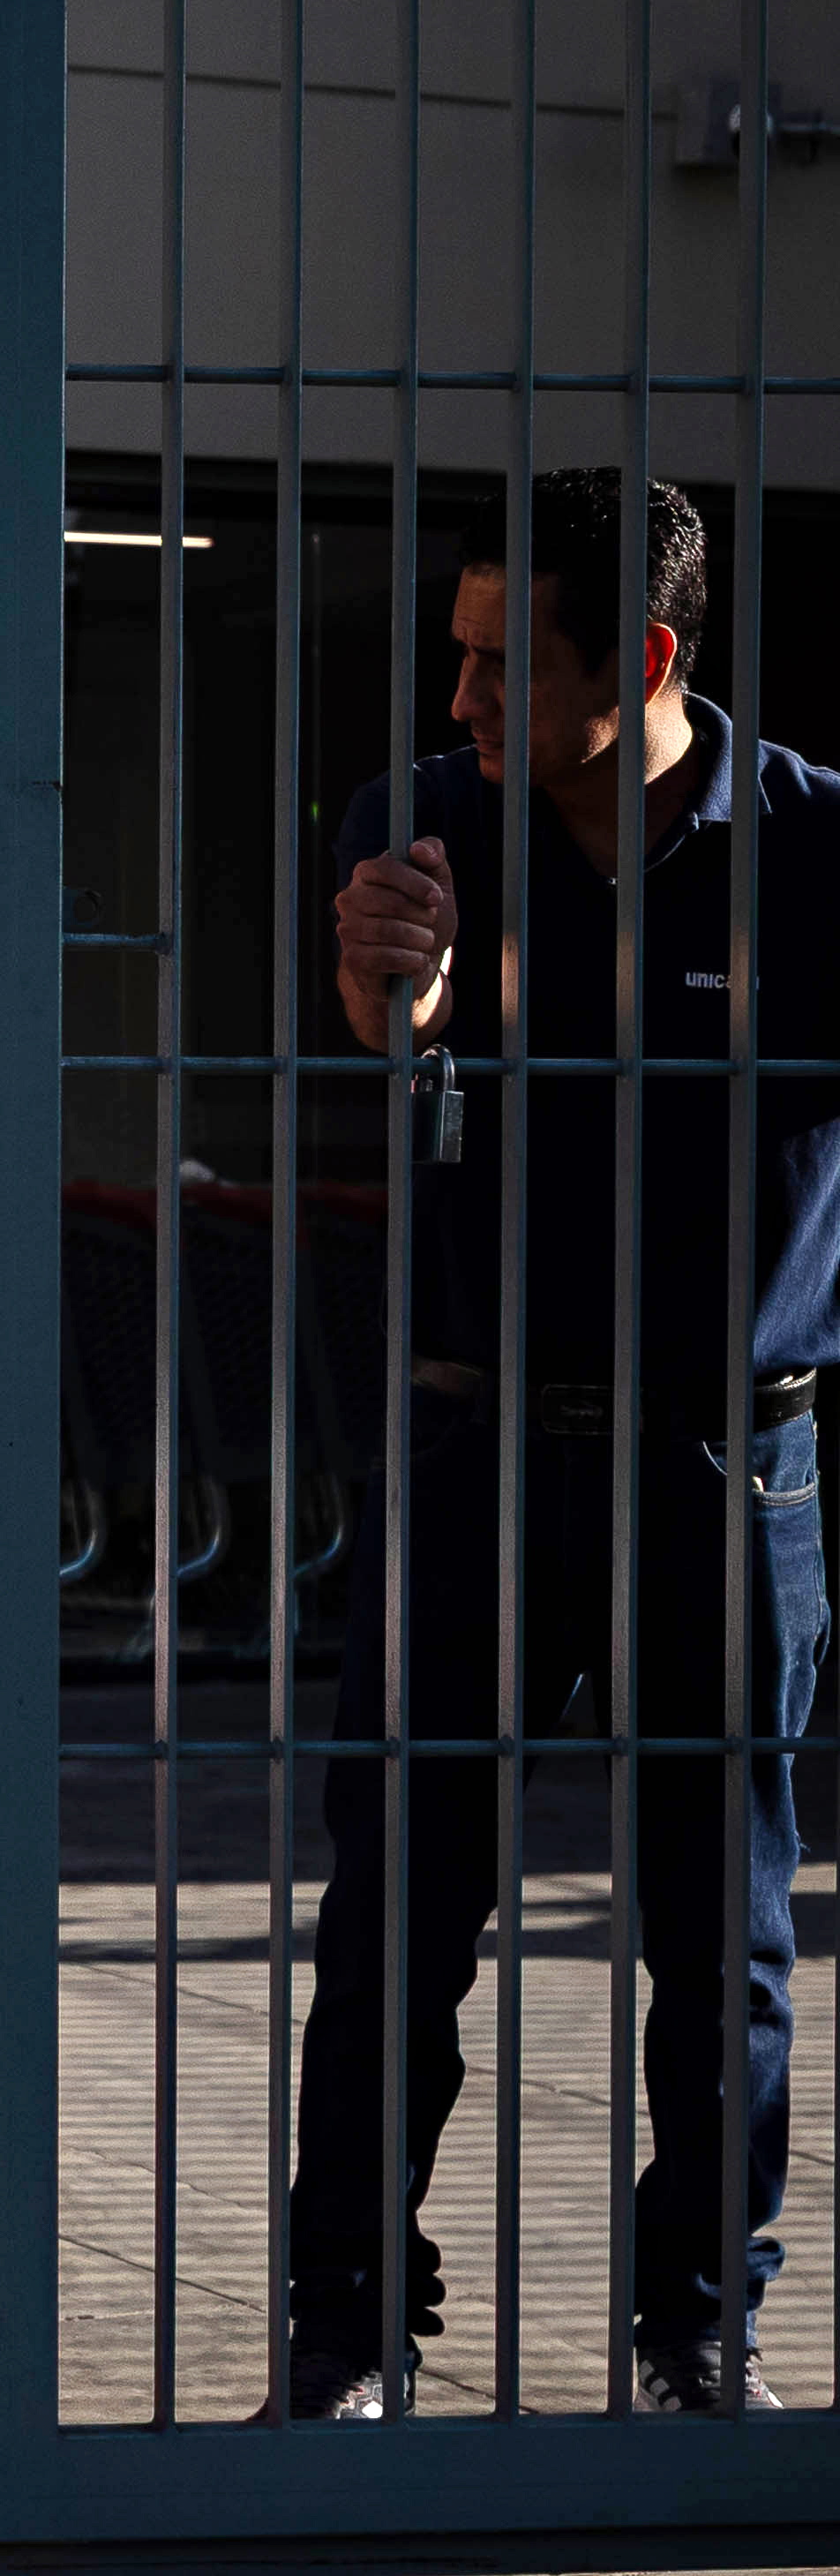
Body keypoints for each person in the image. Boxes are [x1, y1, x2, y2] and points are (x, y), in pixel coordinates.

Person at [292, 468, 838, 2421]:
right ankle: (345, 2320)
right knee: (397, 1898)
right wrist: (389, 988)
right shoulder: (418, 829)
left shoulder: (812, 846)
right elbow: (386, 1034)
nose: (454, 697)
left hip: (730, 1456)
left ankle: (702, 2327)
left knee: (723, 1939)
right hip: (477, 1439)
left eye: (500, 660)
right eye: (452, 649)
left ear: (653, 661)